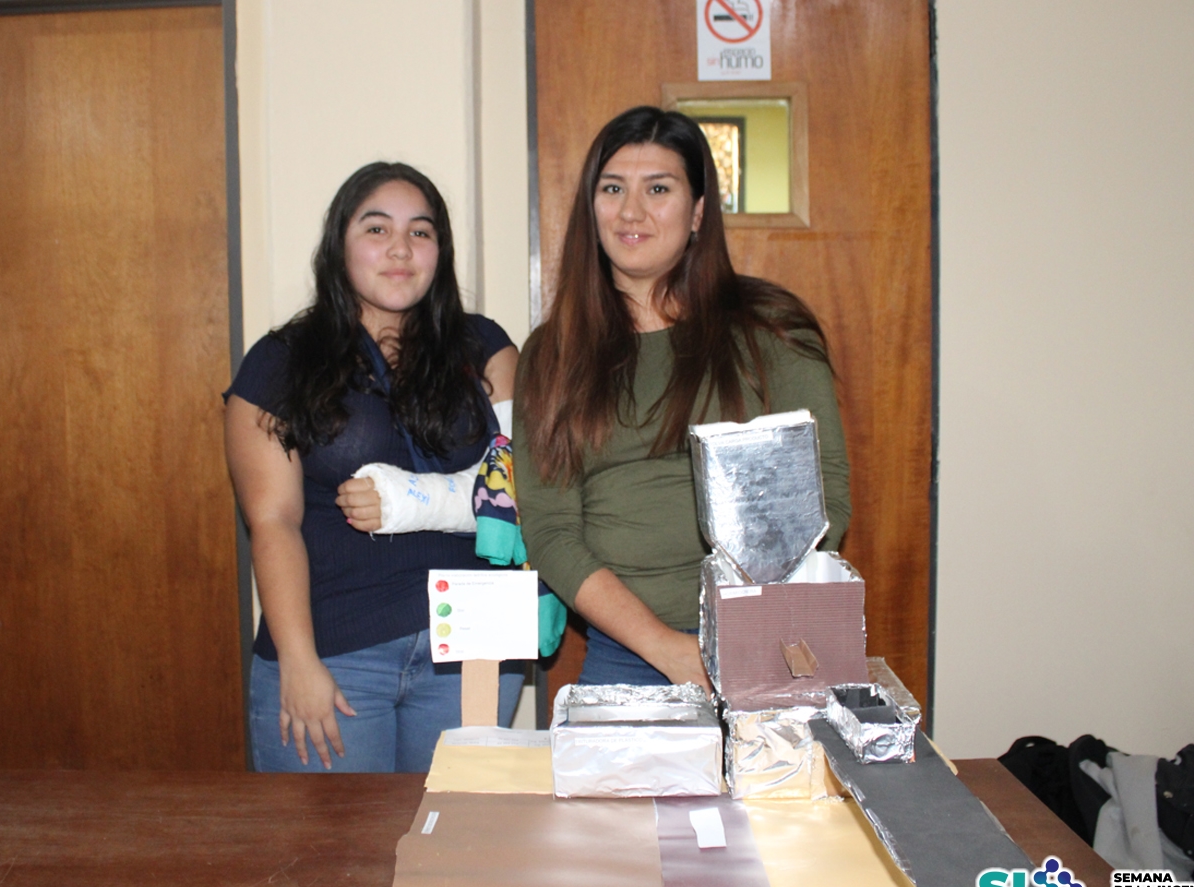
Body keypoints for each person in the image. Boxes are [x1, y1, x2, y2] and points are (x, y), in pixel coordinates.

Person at [514, 106, 851, 688]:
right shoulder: (553, 353)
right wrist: (667, 650)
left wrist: (744, 634)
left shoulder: (772, 329)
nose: (631, 211)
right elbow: (550, 530)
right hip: (628, 654)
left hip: (769, 642)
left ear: (697, 211)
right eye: (612, 188)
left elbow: (825, 494)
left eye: (658, 189)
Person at [224, 162, 523, 773]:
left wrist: (419, 498)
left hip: (473, 647)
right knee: (334, 839)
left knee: (460, 834)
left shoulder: (485, 349)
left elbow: (521, 489)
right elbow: (273, 520)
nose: (400, 249)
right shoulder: (280, 362)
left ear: (440, 250)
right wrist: (298, 660)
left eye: (421, 232)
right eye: (377, 229)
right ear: (340, 245)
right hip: (338, 652)